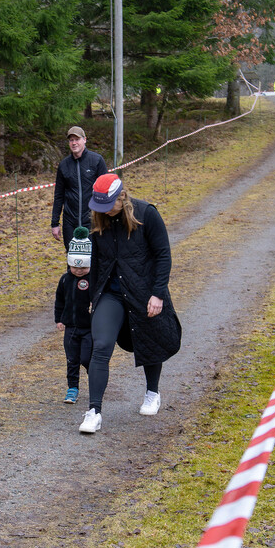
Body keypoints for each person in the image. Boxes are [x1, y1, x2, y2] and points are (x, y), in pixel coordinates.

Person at [78, 173, 182, 434]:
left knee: (149, 340)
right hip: (111, 294)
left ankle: (152, 392)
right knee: (101, 346)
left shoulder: (147, 214)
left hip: (143, 291)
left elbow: (163, 255)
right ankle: (94, 412)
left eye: (108, 205)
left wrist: (158, 294)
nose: (104, 211)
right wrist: (93, 299)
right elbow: (96, 261)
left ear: (121, 197)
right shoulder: (98, 220)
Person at [51, 126, 108, 250]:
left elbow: (106, 191)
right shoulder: (64, 165)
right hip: (70, 221)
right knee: (72, 257)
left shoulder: (97, 161)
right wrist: (54, 223)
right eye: (71, 140)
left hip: (93, 220)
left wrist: (106, 218)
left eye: (77, 139)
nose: (74, 143)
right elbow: (59, 195)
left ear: (84, 140)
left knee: (94, 256)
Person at [55, 227, 94, 405]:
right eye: (75, 267)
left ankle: (95, 381)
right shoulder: (65, 280)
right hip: (71, 327)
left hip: (89, 328)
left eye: (83, 267)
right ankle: (72, 388)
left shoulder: (93, 279)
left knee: (86, 358)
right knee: (72, 359)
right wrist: (59, 319)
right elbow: (59, 301)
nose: (79, 271)